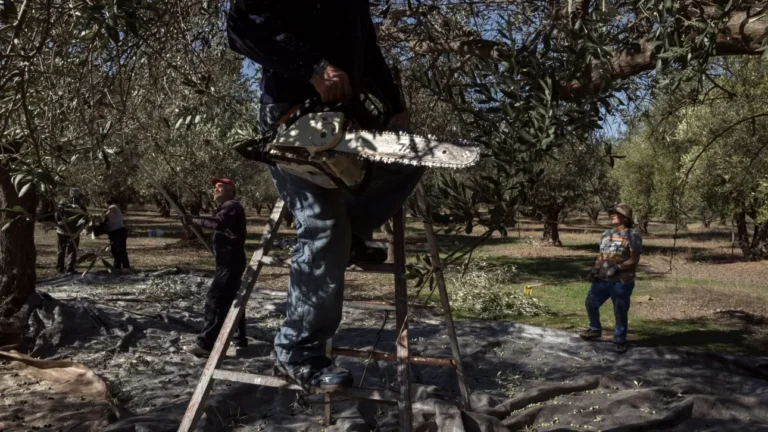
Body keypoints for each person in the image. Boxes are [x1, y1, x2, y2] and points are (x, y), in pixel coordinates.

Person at [227, 1, 424, 391]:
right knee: (324, 226)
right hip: (294, 113)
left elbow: (367, 47)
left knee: (407, 161)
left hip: (345, 111)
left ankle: (355, 234)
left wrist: (394, 103)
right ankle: (297, 350)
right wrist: (313, 68)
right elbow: (241, 26)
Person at [184, 178, 249, 356]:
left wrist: (195, 220)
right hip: (229, 261)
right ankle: (239, 338)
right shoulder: (227, 207)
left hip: (230, 263)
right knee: (234, 300)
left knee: (216, 300)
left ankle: (206, 344)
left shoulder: (231, 206)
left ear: (231, 190)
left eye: (220, 187)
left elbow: (218, 223)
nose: (215, 190)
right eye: (215, 187)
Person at [580, 203, 643, 353]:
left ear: (625, 218)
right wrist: (595, 269)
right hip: (602, 280)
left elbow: (634, 259)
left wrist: (618, 267)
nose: (612, 215)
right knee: (590, 303)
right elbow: (601, 256)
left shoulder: (632, 236)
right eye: (612, 213)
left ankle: (620, 339)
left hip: (621, 282)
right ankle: (595, 329)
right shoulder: (605, 235)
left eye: (616, 213)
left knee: (620, 311)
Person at [55, 189, 87, 274]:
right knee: (72, 250)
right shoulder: (80, 205)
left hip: (62, 230)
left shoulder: (63, 203)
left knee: (61, 249)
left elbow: (57, 216)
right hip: (73, 231)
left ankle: (60, 267)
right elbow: (85, 218)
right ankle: (70, 268)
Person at [103, 200, 130, 270]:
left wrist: (104, 215)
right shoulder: (110, 215)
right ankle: (117, 265)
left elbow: (111, 209)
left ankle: (125, 266)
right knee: (114, 250)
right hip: (114, 233)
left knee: (121, 249)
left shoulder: (113, 206)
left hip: (119, 231)